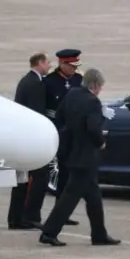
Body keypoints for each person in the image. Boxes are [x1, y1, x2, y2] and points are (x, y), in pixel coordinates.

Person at [39, 68, 121, 247]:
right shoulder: (93, 102)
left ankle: (99, 234)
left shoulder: (72, 94)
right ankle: (49, 232)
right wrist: (100, 142)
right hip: (86, 156)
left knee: (94, 197)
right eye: (100, 87)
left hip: (72, 153)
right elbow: (92, 128)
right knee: (69, 197)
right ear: (95, 86)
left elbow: (59, 118)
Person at [7, 52, 51, 230]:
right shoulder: (34, 84)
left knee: (21, 180)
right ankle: (29, 216)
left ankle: (16, 218)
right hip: (30, 139)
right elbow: (37, 113)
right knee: (40, 177)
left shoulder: (27, 81)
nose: (49, 66)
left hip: (21, 138)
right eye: (47, 62)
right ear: (39, 63)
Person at [42, 48, 84, 226]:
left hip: (72, 130)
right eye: (71, 66)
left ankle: (63, 213)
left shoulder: (78, 80)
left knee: (68, 174)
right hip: (56, 128)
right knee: (58, 172)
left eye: (76, 66)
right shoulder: (49, 82)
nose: (74, 69)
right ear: (62, 64)